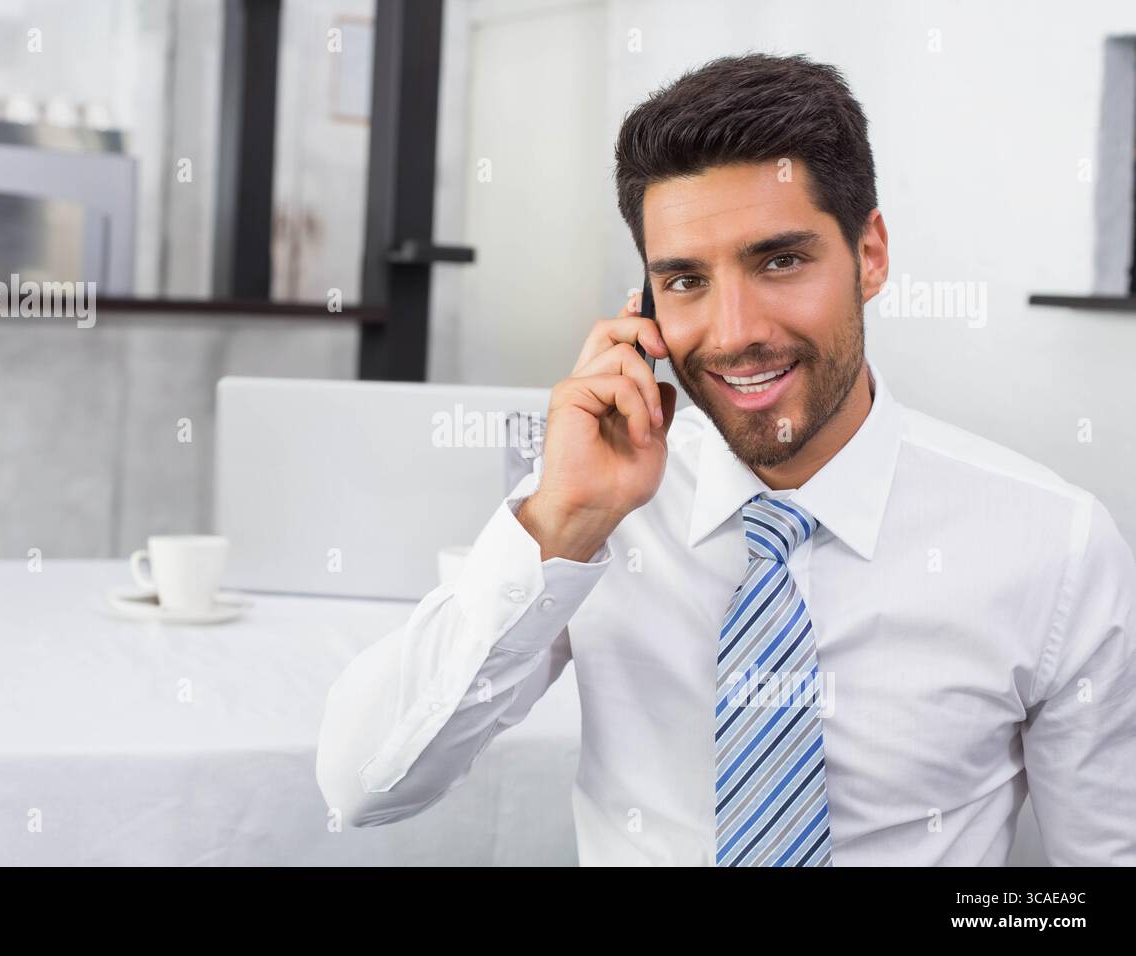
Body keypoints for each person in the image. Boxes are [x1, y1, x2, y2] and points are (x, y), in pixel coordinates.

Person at [315, 52, 1136, 866]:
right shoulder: (596, 510)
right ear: (644, 306)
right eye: (684, 281)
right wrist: (564, 522)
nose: (735, 329)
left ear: (871, 254)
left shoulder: (1051, 544)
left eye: (780, 260)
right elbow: (365, 787)